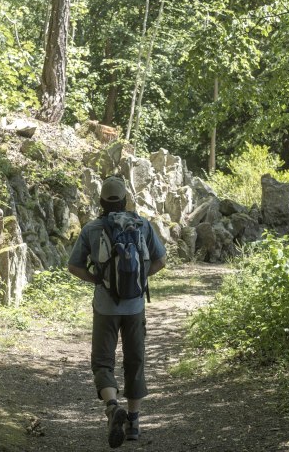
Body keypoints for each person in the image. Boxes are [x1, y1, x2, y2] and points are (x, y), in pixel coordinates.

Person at [68, 175, 166, 449]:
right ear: (125, 201)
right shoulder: (142, 225)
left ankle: (112, 407)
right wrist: (140, 280)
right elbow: (161, 260)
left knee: (102, 362)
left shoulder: (92, 229)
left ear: (101, 202)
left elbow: (74, 267)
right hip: (135, 307)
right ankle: (133, 423)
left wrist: (99, 280)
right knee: (135, 361)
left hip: (105, 307)